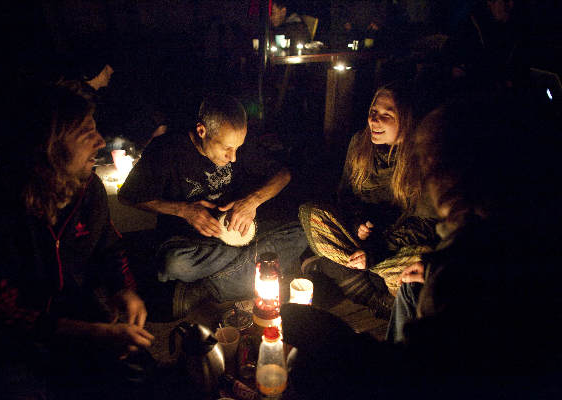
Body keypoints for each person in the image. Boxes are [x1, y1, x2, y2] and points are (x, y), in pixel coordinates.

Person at [281, 91, 561, 399]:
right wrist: (364, 228)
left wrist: (331, 338)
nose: (428, 174)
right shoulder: (489, 231)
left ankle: (366, 288)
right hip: (370, 245)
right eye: (373, 110)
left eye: (432, 162)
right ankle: (373, 291)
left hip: (394, 255)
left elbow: (420, 374)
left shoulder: (481, 257)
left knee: (311, 370)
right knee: (404, 278)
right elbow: (344, 199)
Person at [0, 85, 158, 400]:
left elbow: (108, 247)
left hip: (73, 308)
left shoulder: (88, 189)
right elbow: (5, 314)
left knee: (137, 372)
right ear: (48, 147)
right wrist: (93, 333)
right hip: (9, 336)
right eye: (85, 133)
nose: (99, 141)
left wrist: (125, 290)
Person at [118, 94, 307, 318]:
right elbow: (128, 196)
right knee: (174, 264)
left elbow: (283, 174)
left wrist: (252, 201)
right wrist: (184, 210)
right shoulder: (166, 149)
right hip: (194, 241)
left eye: (238, 147)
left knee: (302, 232)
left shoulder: (237, 143)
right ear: (202, 131)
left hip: (239, 232)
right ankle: (256, 266)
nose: (233, 157)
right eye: (227, 148)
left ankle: (202, 290)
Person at [298, 82, 439, 318]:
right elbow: (345, 197)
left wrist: (378, 248)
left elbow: (425, 225)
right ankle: (376, 299)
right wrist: (357, 223)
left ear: (405, 119)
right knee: (311, 214)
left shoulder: (422, 158)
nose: (374, 121)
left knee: (421, 258)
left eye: (386, 115)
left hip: (394, 246)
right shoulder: (359, 144)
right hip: (361, 242)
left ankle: (353, 276)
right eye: (373, 112)